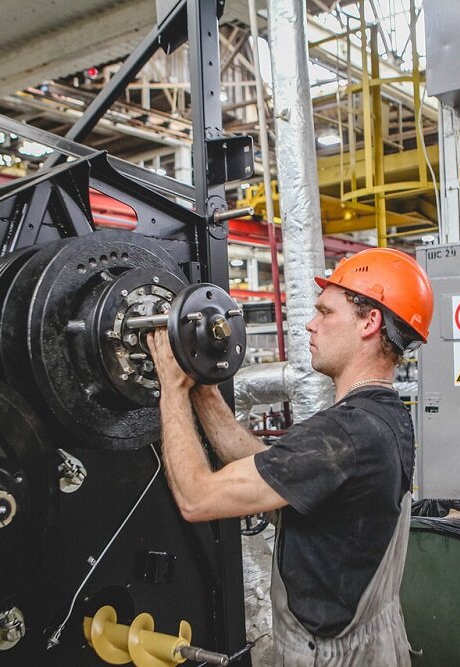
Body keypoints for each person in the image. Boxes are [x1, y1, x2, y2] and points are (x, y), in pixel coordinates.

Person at [147, 247, 433, 666]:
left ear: (370, 322)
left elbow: (197, 497)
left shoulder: (346, 434)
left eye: (325, 313)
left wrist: (172, 390)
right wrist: (202, 389)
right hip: (373, 641)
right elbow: (270, 468)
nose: (309, 324)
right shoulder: (381, 417)